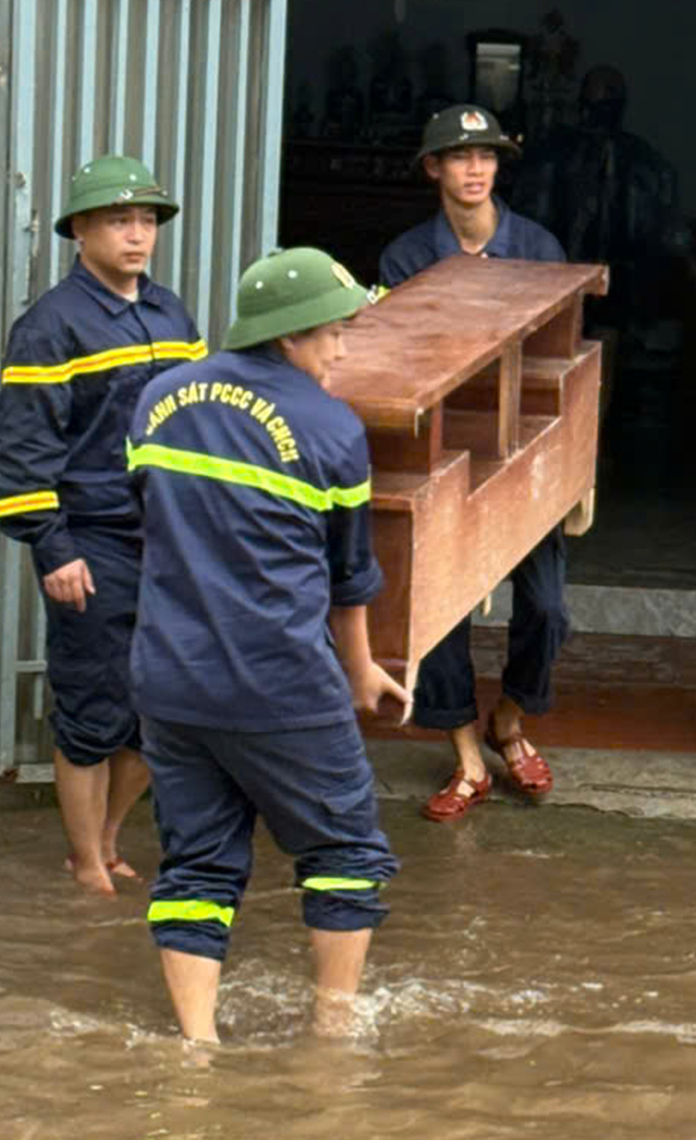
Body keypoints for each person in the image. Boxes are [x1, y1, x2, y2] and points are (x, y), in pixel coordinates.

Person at [126, 246, 410, 1043]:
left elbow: (144, 521)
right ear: (288, 334)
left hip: (170, 680)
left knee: (196, 864)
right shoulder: (331, 427)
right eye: (330, 334)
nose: (341, 351)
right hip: (280, 681)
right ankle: (333, 1032)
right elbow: (350, 574)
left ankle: (196, 1044)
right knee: (346, 848)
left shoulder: (157, 398)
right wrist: (362, 673)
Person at [0, 155, 207, 897]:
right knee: (90, 706)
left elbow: (201, 422)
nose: (137, 234)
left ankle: (107, 838)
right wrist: (52, 546)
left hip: (168, 542)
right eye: (119, 219)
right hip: (89, 541)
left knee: (161, 707)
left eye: (146, 219)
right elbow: (20, 449)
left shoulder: (173, 314)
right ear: (80, 230)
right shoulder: (50, 325)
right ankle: (85, 864)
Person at [378, 103, 567, 823]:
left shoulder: (538, 248)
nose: (475, 169)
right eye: (458, 158)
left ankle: (509, 722)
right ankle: (465, 758)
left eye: (486, 157)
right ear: (434, 168)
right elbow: (398, 360)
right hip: (443, 453)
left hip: (524, 452)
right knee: (441, 610)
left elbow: (563, 353)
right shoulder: (405, 258)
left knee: (548, 608)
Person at [511, 64, 696, 337]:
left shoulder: (644, 161)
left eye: (608, 103)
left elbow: (669, 229)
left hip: (621, 289)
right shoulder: (552, 155)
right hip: (558, 285)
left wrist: (684, 259)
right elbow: (526, 222)